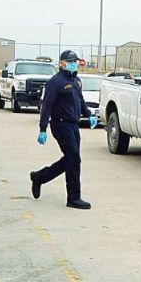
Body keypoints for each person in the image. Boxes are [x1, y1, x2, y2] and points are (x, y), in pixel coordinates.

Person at [30, 50, 98, 209]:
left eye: (76, 61)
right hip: (61, 125)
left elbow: (80, 100)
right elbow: (46, 106)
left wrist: (88, 115)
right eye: (71, 61)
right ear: (62, 63)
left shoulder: (76, 81)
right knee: (73, 159)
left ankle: (39, 177)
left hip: (74, 125)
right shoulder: (55, 82)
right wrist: (42, 128)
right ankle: (73, 198)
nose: (74, 64)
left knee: (71, 159)